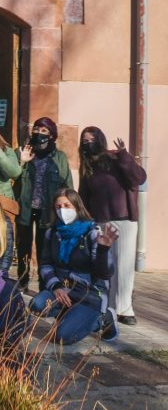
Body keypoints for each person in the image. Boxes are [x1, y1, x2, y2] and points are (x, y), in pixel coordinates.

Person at [30, 189, 119, 345]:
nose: (62, 210)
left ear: (77, 207)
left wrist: (103, 250)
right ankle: (68, 315)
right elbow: (46, 264)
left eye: (67, 205)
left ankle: (103, 319)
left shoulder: (92, 233)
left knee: (62, 337)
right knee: (36, 305)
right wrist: (55, 286)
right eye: (58, 207)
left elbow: (104, 273)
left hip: (88, 294)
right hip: (63, 290)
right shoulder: (52, 233)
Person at [77, 127, 147, 326]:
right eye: (85, 140)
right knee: (105, 265)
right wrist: (83, 219)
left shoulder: (116, 158)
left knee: (124, 265)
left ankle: (125, 309)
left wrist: (124, 155)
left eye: (92, 139)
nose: (89, 143)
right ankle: (108, 307)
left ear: (100, 139)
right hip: (100, 220)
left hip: (123, 219)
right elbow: (84, 194)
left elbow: (138, 178)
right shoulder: (87, 166)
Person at [15, 117, 73, 289]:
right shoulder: (23, 152)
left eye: (44, 131)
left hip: (47, 211)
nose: (39, 133)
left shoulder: (59, 157)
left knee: (44, 248)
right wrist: (21, 161)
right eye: (36, 129)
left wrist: (68, 209)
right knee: (23, 246)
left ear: (52, 135)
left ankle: (43, 285)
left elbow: (67, 185)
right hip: (26, 207)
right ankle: (22, 281)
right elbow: (12, 176)